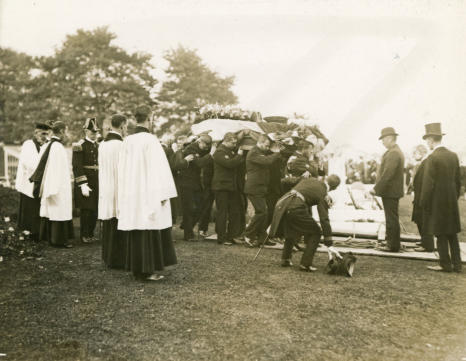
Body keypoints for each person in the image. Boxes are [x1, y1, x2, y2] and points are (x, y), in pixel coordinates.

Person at [117, 105, 177, 281]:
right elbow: (159, 169)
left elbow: (122, 168)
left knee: (137, 227)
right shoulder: (151, 140)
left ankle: (137, 269)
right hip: (148, 192)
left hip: (132, 192)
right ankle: (148, 270)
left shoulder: (127, 140)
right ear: (150, 118)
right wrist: (164, 193)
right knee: (148, 227)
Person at [269, 175, 342, 271]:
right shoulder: (323, 193)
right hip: (296, 207)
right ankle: (305, 264)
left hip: (282, 203)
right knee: (316, 232)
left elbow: (284, 181)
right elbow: (324, 219)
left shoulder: (310, 179)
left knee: (291, 229)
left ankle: (285, 259)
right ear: (334, 188)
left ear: (326, 179)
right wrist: (329, 243)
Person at [420, 123, 462, 272]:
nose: (427, 143)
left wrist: (424, 203)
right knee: (452, 233)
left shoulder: (432, 158)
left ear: (431, 139)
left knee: (440, 232)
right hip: (451, 200)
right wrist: (454, 197)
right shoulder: (453, 155)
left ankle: (445, 264)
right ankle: (457, 264)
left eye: (427, 140)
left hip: (437, 201)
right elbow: (458, 182)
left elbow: (428, 184)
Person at [30, 121, 74, 248]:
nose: (66, 134)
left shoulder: (50, 145)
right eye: (65, 131)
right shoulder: (57, 147)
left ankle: (52, 239)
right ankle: (59, 240)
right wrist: (55, 188)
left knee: (53, 212)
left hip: (53, 184)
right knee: (58, 212)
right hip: (58, 185)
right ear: (61, 131)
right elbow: (56, 169)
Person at [98, 114, 127, 269]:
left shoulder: (103, 144)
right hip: (118, 186)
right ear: (122, 125)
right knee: (118, 220)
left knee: (109, 219)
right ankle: (118, 259)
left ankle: (108, 257)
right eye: (126, 125)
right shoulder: (121, 145)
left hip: (106, 186)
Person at [370, 127, 405, 252]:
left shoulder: (393, 153)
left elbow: (388, 174)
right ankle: (392, 243)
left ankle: (393, 245)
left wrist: (376, 189)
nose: (382, 142)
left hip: (391, 192)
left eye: (383, 139)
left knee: (391, 219)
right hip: (392, 191)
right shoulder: (394, 151)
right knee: (391, 218)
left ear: (390, 138)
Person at [243, 135, 281, 247]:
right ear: (260, 142)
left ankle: (262, 238)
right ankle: (248, 234)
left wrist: (277, 147)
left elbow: (271, 157)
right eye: (266, 145)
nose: (268, 147)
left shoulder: (260, 151)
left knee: (265, 212)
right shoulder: (254, 152)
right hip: (254, 187)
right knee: (262, 212)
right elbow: (267, 161)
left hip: (260, 187)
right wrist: (277, 153)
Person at [174, 134, 213, 241]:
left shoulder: (202, 148)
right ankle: (188, 235)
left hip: (195, 183)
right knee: (189, 209)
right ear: (199, 142)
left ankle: (187, 225)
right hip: (185, 183)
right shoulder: (190, 149)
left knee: (201, 206)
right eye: (206, 145)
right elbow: (199, 163)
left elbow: (203, 155)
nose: (207, 147)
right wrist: (211, 155)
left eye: (209, 146)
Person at [15, 123, 50, 241]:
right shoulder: (28, 145)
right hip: (28, 183)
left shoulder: (44, 146)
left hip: (38, 182)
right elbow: (30, 164)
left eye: (46, 134)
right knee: (29, 209)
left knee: (37, 208)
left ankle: (38, 233)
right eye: (42, 133)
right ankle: (28, 233)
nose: (45, 136)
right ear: (35, 133)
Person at [212, 133, 245, 245]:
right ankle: (221, 238)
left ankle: (231, 235)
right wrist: (239, 155)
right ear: (226, 141)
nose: (235, 145)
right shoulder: (219, 152)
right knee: (222, 212)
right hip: (221, 186)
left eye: (235, 142)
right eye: (233, 143)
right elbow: (230, 164)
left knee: (234, 211)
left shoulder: (230, 151)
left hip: (230, 186)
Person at [72, 117, 99, 244]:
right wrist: (83, 184)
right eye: (92, 132)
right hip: (86, 181)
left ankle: (91, 233)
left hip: (97, 181)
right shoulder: (79, 146)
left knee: (94, 210)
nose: (94, 134)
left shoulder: (98, 145)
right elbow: (77, 166)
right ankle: (84, 235)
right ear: (85, 131)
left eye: (96, 132)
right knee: (86, 210)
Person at [411, 144, 434, 252]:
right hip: (419, 196)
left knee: (424, 221)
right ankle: (424, 241)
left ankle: (427, 245)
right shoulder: (422, 163)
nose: (413, 155)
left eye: (414, 153)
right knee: (419, 220)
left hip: (422, 197)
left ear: (421, 152)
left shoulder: (426, 163)